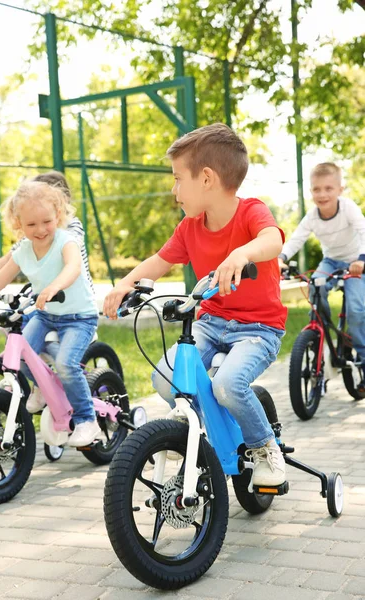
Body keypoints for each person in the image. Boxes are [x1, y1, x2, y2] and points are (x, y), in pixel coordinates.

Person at [104, 123, 288, 487]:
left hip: (258, 329)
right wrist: (125, 284)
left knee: (227, 385)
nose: (174, 191)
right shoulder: (189, 228)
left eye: (177, 179)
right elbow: (157, 263)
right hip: (210, 323)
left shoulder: (251, 212)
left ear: (206, 178)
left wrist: (241, 253)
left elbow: (272, 240)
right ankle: (199, 425)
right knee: (164, 378)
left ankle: (265, 447)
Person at [0, 180, 99, 447]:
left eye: (46, 221)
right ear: (18, 224)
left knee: (65, 364)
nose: (40, 230)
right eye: (31, 225)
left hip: (79, 317)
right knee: (20, 355)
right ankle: (40, 388)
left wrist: (54, 286)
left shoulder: (66, 240)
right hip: (46, 314)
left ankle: (86, 419)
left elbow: (73, 268)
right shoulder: (24, 250)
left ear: (58, 216)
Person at [278, 162, 365, 388]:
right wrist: (281, 258)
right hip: (330, 261)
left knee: (356, 311)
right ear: (311, 192)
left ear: (340, 190)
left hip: (355, 262)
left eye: (328, 188)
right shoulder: (313, 217)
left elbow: (363, 230)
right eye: (317, 189)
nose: (322, 194)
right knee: (316, 288)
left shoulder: (348, 208)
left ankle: (364, 361)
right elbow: (297, 238)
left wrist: (361, 260)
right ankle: (319, 331)